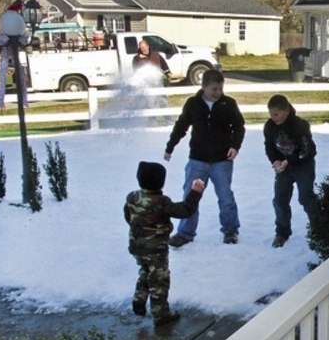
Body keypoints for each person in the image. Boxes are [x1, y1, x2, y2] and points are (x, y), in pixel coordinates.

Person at [164, 69, 245, 246]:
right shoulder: (193, 103)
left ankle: (230, 231)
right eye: (214, 89)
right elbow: (181, 126)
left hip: (221, 161)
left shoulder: (228, 104)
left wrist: (234, 146)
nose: (218, 93)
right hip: (197, 160)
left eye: (220, 89)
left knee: (226, 197)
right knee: (190, 197)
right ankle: (185, 233)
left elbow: (239, 127)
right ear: (204, 87)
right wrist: (170, 147)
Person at [124, 161, 205, 326]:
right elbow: (185, 211)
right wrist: (195, 193)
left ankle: (139, 301)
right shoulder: (161, 202)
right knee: (159, 280)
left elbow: (128, 216)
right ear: (161, 182)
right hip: (156, 250)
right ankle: (161, 314)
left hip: (136, 245)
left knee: (145, 271)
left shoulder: (132, 197)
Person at [263, 94, 318, 248]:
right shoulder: (270, 126)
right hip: (283, 167)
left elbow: (309, 149)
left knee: (306, 198)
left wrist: (290, 160)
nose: (273, 118)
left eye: (276, 114)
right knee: (280, 199)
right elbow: (269, 146)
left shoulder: (299, 125)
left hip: (302, 165)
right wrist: (275, 161)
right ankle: (282, 231)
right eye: (271, 114)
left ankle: (318, 228)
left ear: (286, 110)